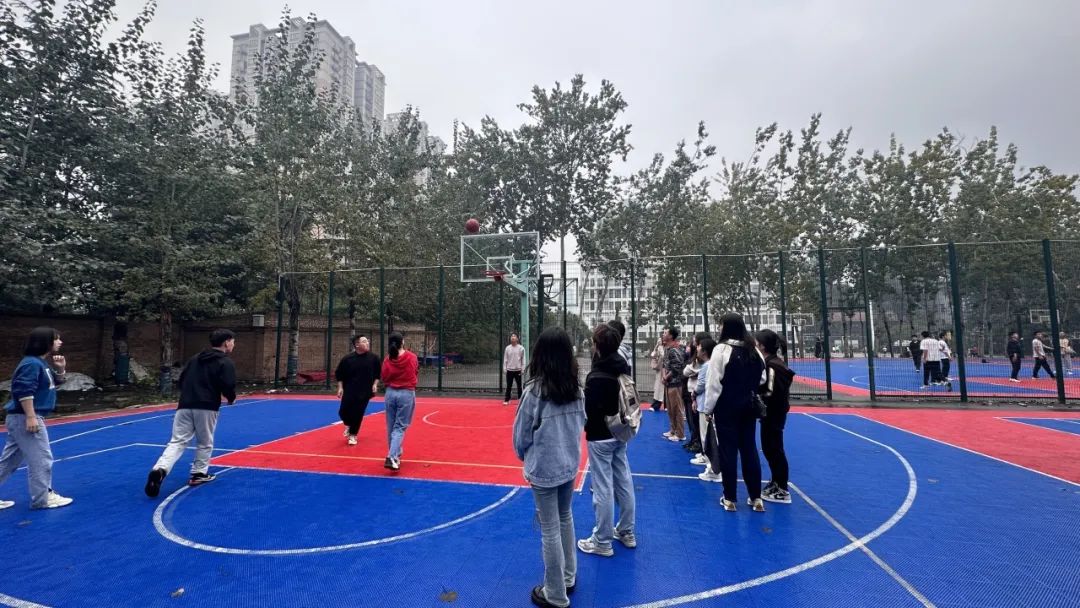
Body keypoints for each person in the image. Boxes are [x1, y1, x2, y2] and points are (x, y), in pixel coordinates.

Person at [512, 327, 585, 608]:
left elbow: (521, 435)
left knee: (550, 528)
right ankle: (568, 576)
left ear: (540, 355)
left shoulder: (534, 392)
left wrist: (525, 456)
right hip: (569, 464)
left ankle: (555, 593)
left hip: (545, 467)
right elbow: (581, 424)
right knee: (565, 518)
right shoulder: (577, 390)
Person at [145, 329, 237, 498]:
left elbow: (182, 380)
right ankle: (198, 473)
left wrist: (188, 394)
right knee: (205, 441)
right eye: (232, 341)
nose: (233, 344)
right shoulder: (225, 362)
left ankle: (160, 469)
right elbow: (228, 384)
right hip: (207, 406)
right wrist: (231, 398)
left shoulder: (195, 359)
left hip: (185, 405)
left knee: (177, 441)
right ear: (226, 342)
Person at [577, 324, 636, 558]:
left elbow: (589, 411)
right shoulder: (623, 368)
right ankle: (626, 530)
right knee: (624, 481)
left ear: (597, 346)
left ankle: (602, 540)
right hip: (620, 432)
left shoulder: (597, 376)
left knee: (602, 488)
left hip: (600, 436)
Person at [0, 327, 73, 510]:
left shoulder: (40, 363)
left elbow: (51, 384)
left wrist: (61, 369)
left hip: (20, 418)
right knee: (41, 458)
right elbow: (24, 390)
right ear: (45, 342)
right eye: (56, 339)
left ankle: (42, 496)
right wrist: (31, 417)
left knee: (9, 461)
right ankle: (43, 498)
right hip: (25, 417)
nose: (60, 342)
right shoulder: (31, 364)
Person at [703, 313, 766, 512]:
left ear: (727, 327)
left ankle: (729, 498)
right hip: (748, 406)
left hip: (727, 406)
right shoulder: (754, 350)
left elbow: (714, 384)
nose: (719, 328)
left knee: (728, 450)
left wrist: (708, 408)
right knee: (749, 449)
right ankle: (756, 498)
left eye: (721, 325)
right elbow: (762, 378)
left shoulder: (721, 350)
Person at [755, 329, 795, 504]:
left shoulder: (772, 366)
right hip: (772, 412)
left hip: (773, 413)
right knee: (770, 448)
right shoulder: (772, 363)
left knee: (774, 448)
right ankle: (776, 481)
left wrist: (757, 398)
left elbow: (770, 391)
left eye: (757, 343)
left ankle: (782, 488)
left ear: (762, 346)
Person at [381, 332, 419, 471]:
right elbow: (414, 372)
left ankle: (395, 454)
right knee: (400, 426)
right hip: (406, 393)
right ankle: (391, 456)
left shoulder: (388, 359)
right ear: (402, 342)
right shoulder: (411, 357)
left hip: (390, 393)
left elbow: (384, 376)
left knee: (391, 426)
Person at [335, 335, 381, 445]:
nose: (367, 343)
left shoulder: (374, 358)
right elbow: (339, 374)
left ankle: (353, 435)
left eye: (367, 341)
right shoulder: (347, 359)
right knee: (343, 411)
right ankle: (349, 425)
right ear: (357, 345)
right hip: (349, 390)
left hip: (365, 391)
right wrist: (340, 387)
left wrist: (375, 384)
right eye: (364, 341)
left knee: (358, 413)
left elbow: (378, 374)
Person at [693, 337, 721, 482]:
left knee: (707, 438)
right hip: (707, 405)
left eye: (699, 346)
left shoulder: (707, 366)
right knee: (709, 438)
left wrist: (694, 393)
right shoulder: (713, 364)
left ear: (704, 351)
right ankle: (712, 467)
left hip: (705, 406)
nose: (696, 348)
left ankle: (713, 470)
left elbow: (701, 385)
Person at [661, 327, 686, 442]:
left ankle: (680, 434)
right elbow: (665, 365)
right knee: (670, 409)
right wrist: (664, 376)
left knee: (677, 409)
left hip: (675, 383)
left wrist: (666, 377)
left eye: (665, 333)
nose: (663, 334)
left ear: (671, 336)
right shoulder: (667, 349)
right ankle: (673, 430)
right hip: (668, 383)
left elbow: (677, 366)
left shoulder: (674, 350)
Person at [503, 333, 526, 405]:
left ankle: (520, 400)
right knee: (509, 385)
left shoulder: (521, 348)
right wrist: (505, 368)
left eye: (514, 336)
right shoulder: (507, 348)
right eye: (512, 336)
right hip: (509, 370)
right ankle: (507, 399)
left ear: (517, 339)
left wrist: (523, 368)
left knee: (519, 386)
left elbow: (523, 359)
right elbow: (505, 359)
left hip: (518, 370)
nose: (512, 337)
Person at [649, 337, 665, 411]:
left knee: (664, 388)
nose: (659, 341)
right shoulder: (659, 348)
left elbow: (663, 355)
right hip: (660, 371)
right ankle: (656, 405)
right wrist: (656, 346)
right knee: (658, 388)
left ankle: (666, 405)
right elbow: (652, 355)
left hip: (666, 370)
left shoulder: (667, 348)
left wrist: (660, 347)